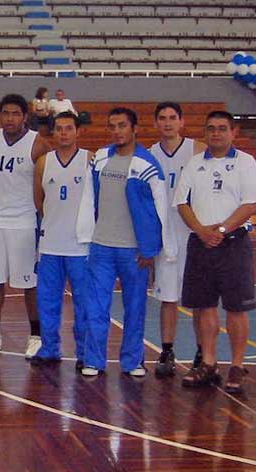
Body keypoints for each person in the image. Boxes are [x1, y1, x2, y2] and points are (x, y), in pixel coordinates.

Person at [76, 107, 176, 377]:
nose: (117, 131)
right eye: (112, 126)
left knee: (135, 308)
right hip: (102, 248)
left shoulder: (147, 165)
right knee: (95, 308)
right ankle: (93, 360)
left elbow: (160, 209)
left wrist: (151, 248)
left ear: (134, 129)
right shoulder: (99, 160)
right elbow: (88, 199)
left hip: (134, 252)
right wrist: (87, 236)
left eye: (122, 125)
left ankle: (133, 361)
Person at [175, 111, 256, 394]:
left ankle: (237, 366)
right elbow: (182, 203)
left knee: (236, 307)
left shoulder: (246, 163)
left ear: (233, 132)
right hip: (201, 243)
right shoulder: (194, 164)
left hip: (234, 244)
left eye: (222, 129)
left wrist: (221, 231)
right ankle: (209, 363)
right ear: (205, 132)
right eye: (210, 128)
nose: (216, 134)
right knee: (204, 305)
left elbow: (250, 204)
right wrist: (202, 231)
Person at [0, 94, 51, 359]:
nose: (10, 118)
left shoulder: (38, 145)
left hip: (25, 220)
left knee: (28, 282)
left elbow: (47, 182)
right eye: (5, 113)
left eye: (15, 113)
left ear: (25, 116)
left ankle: (35, 335)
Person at [149, 102, 208, 377]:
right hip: (164, 234)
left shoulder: (198, 150)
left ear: (182, 122)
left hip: (192, 232)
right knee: (167, 297)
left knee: (198, 298)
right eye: (162, 118)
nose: (168, 123)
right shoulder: (149, 155)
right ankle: (167, 350)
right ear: (156, 123)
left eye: (173, 118)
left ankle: (201, 352)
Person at [31, 112, 91, 369]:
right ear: (53, 133)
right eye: (59, 129)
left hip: (81, 244)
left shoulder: (90, 159)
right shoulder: (44, 162)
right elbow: (38, 199)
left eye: (69, 128)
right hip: (50, 243)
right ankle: (49, 347)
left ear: (78, 131)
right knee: (47, 299)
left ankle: (85, 351)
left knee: (84, 302)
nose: (64, 133)